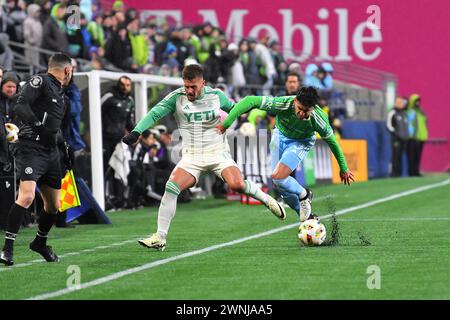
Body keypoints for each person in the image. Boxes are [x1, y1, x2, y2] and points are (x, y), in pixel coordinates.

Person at [122, 64, 285, 251]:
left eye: (194, 87)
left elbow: (235, 108)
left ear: (203, 83)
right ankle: (160, 236)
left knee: (237, 185)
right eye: (186, 86)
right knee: (171, 186)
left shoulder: (216, 96)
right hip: (192, 156)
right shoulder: (176, 98)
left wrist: (241, 116)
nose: (189, 91)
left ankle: (267, 200)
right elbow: (155, 113)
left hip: (218, 153)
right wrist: (137, 132)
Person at [216, 86, 354, 222]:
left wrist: (343, 168)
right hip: (279, 136)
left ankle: (304, 194)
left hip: (301, 142)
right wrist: (226, 124)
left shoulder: (319, 118)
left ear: (313, 108)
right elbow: (250, 100)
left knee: (278, 176)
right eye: (299, 109)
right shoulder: (282, 103)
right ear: (295, 101)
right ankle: (306, 216)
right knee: (279, 183)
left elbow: (333, 143)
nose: (301, 114)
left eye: (306, 111)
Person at [0, 53, 74, 266]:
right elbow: (20, 106)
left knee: (54, 205)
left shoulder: (62, 96)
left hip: (51, 154)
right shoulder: (39, 81)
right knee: (27, 196)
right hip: (30, 148)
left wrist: (65, 150)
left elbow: (55, 130)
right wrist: (38, 126)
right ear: (67, 70)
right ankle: (7, 250)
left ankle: (40, 243)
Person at [101, 75, 135, 169]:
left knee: (118, 168)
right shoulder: (109, 96)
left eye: (128, 85)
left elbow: (129, 121)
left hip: (120, 140)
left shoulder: (130, 101)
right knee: (105, 166)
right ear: (118, 85)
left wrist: (137, 133)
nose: (125, 87)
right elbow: (95, 113)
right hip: (105, 139)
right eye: (123, 85)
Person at [386, 97, 409, 177]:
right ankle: (394, 173)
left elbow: (405, 126)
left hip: (403, 139)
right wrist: (395, 133)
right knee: (395, 156)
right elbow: (389, 125)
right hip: (396, 138)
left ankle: (399, 173)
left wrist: (406, 136)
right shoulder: (392, 112)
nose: (401, 104)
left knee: (400, 156)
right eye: (400, 103)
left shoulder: (404, 113)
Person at [407, 94, 428, 176]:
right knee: (412, 156)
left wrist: (425, 135)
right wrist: (411, 135)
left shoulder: (421, 112)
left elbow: (425, 124)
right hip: (413, 137)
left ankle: (416, 171)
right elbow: (410, 125)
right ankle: (411, 172)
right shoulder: (410, 112)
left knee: (418, 156)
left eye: (419, 101)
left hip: (421, 137)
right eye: (416, 101)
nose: (418, 103)